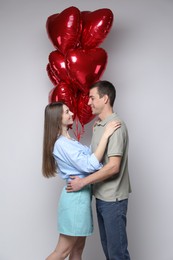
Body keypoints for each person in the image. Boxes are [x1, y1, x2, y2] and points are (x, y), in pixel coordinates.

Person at [42, 101, 121, 260]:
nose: (71, 113)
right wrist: (105, 135)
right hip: (74, 200)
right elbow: (90, 165)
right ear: (57, 118)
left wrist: (97, 136)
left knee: (77, 250)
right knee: (62, 251)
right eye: (66, 112)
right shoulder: (61, 144)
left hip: (81, 198)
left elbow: (89, 156)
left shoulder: (70, 142)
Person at [66, 80, 132, 260]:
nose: (88, 102)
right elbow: (94, 160)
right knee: (109, 252)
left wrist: (82, 182)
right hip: (102, 197)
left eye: (92, 98)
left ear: (105, 99)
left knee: (117, 254)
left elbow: (113, 167)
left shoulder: (116, 126)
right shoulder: (100, 126)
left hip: (114, 199)